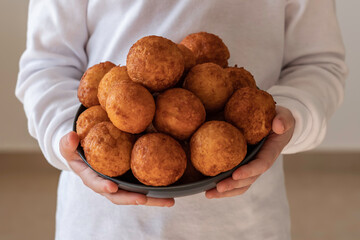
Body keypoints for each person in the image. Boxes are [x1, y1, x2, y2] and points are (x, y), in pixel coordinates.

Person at [16, 0, 347, 239]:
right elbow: (47, 63)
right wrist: (66, 136)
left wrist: (291, 113)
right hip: (103, 221)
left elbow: (318, 63)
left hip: (245, 218)